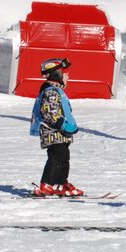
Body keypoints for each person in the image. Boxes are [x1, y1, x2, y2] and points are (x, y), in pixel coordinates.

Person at [30, 57, 82, 197]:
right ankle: (47, 183)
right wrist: (64, 125)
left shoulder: (56, 91)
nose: (67, 76)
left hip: (60, 134)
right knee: (56, 158)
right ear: (56, 75)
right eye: (64, 73)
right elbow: (49, 112)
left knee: (64, 158)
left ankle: (61, 183)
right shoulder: (51, 92)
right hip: (52, 132)